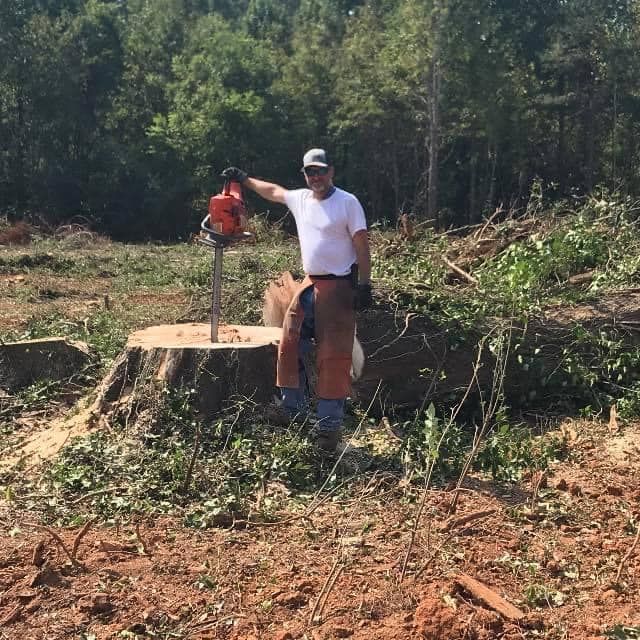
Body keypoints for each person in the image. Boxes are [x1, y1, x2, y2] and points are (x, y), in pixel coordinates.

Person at [222, 148, 372, 452]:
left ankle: (329, 429)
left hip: (339, 288)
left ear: (331, 170)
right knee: (289, 347)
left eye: (321, 170)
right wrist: (244, 179)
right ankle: (294, 414)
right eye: (310, 172)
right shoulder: (301, 199)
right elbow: (273, 191)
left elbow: (362, 244)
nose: (316, 177)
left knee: (333, 358)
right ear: (305, 174)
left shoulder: (347, 203)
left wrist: (365, 285)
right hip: (309, 285)